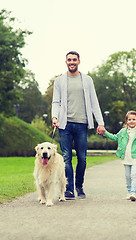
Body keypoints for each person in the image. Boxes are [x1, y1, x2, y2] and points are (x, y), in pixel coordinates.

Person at [51, 51, 106, 200]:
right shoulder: (60, 81)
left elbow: (94, 102)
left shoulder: (87, 80)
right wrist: (54, 117)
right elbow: (56, 101)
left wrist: (100, 122)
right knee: (67, 158)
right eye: (69, 60)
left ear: (79, 61)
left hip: (82, 123)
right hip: (65, 124)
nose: (72, 62)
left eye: (74, 59)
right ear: (66, 62)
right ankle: (69, 189)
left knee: (82, 158)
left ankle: (79, 185)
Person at [100, 110, 136, 201]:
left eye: (134, 119)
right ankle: (129, 191)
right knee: (127, 176)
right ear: (126, 121)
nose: (131, 121)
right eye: (129, 119)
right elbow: (114, 137)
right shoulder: (123, 131)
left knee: (134, 175)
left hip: (135, 157)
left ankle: (133, 193)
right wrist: (105, 133)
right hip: (126, 157)